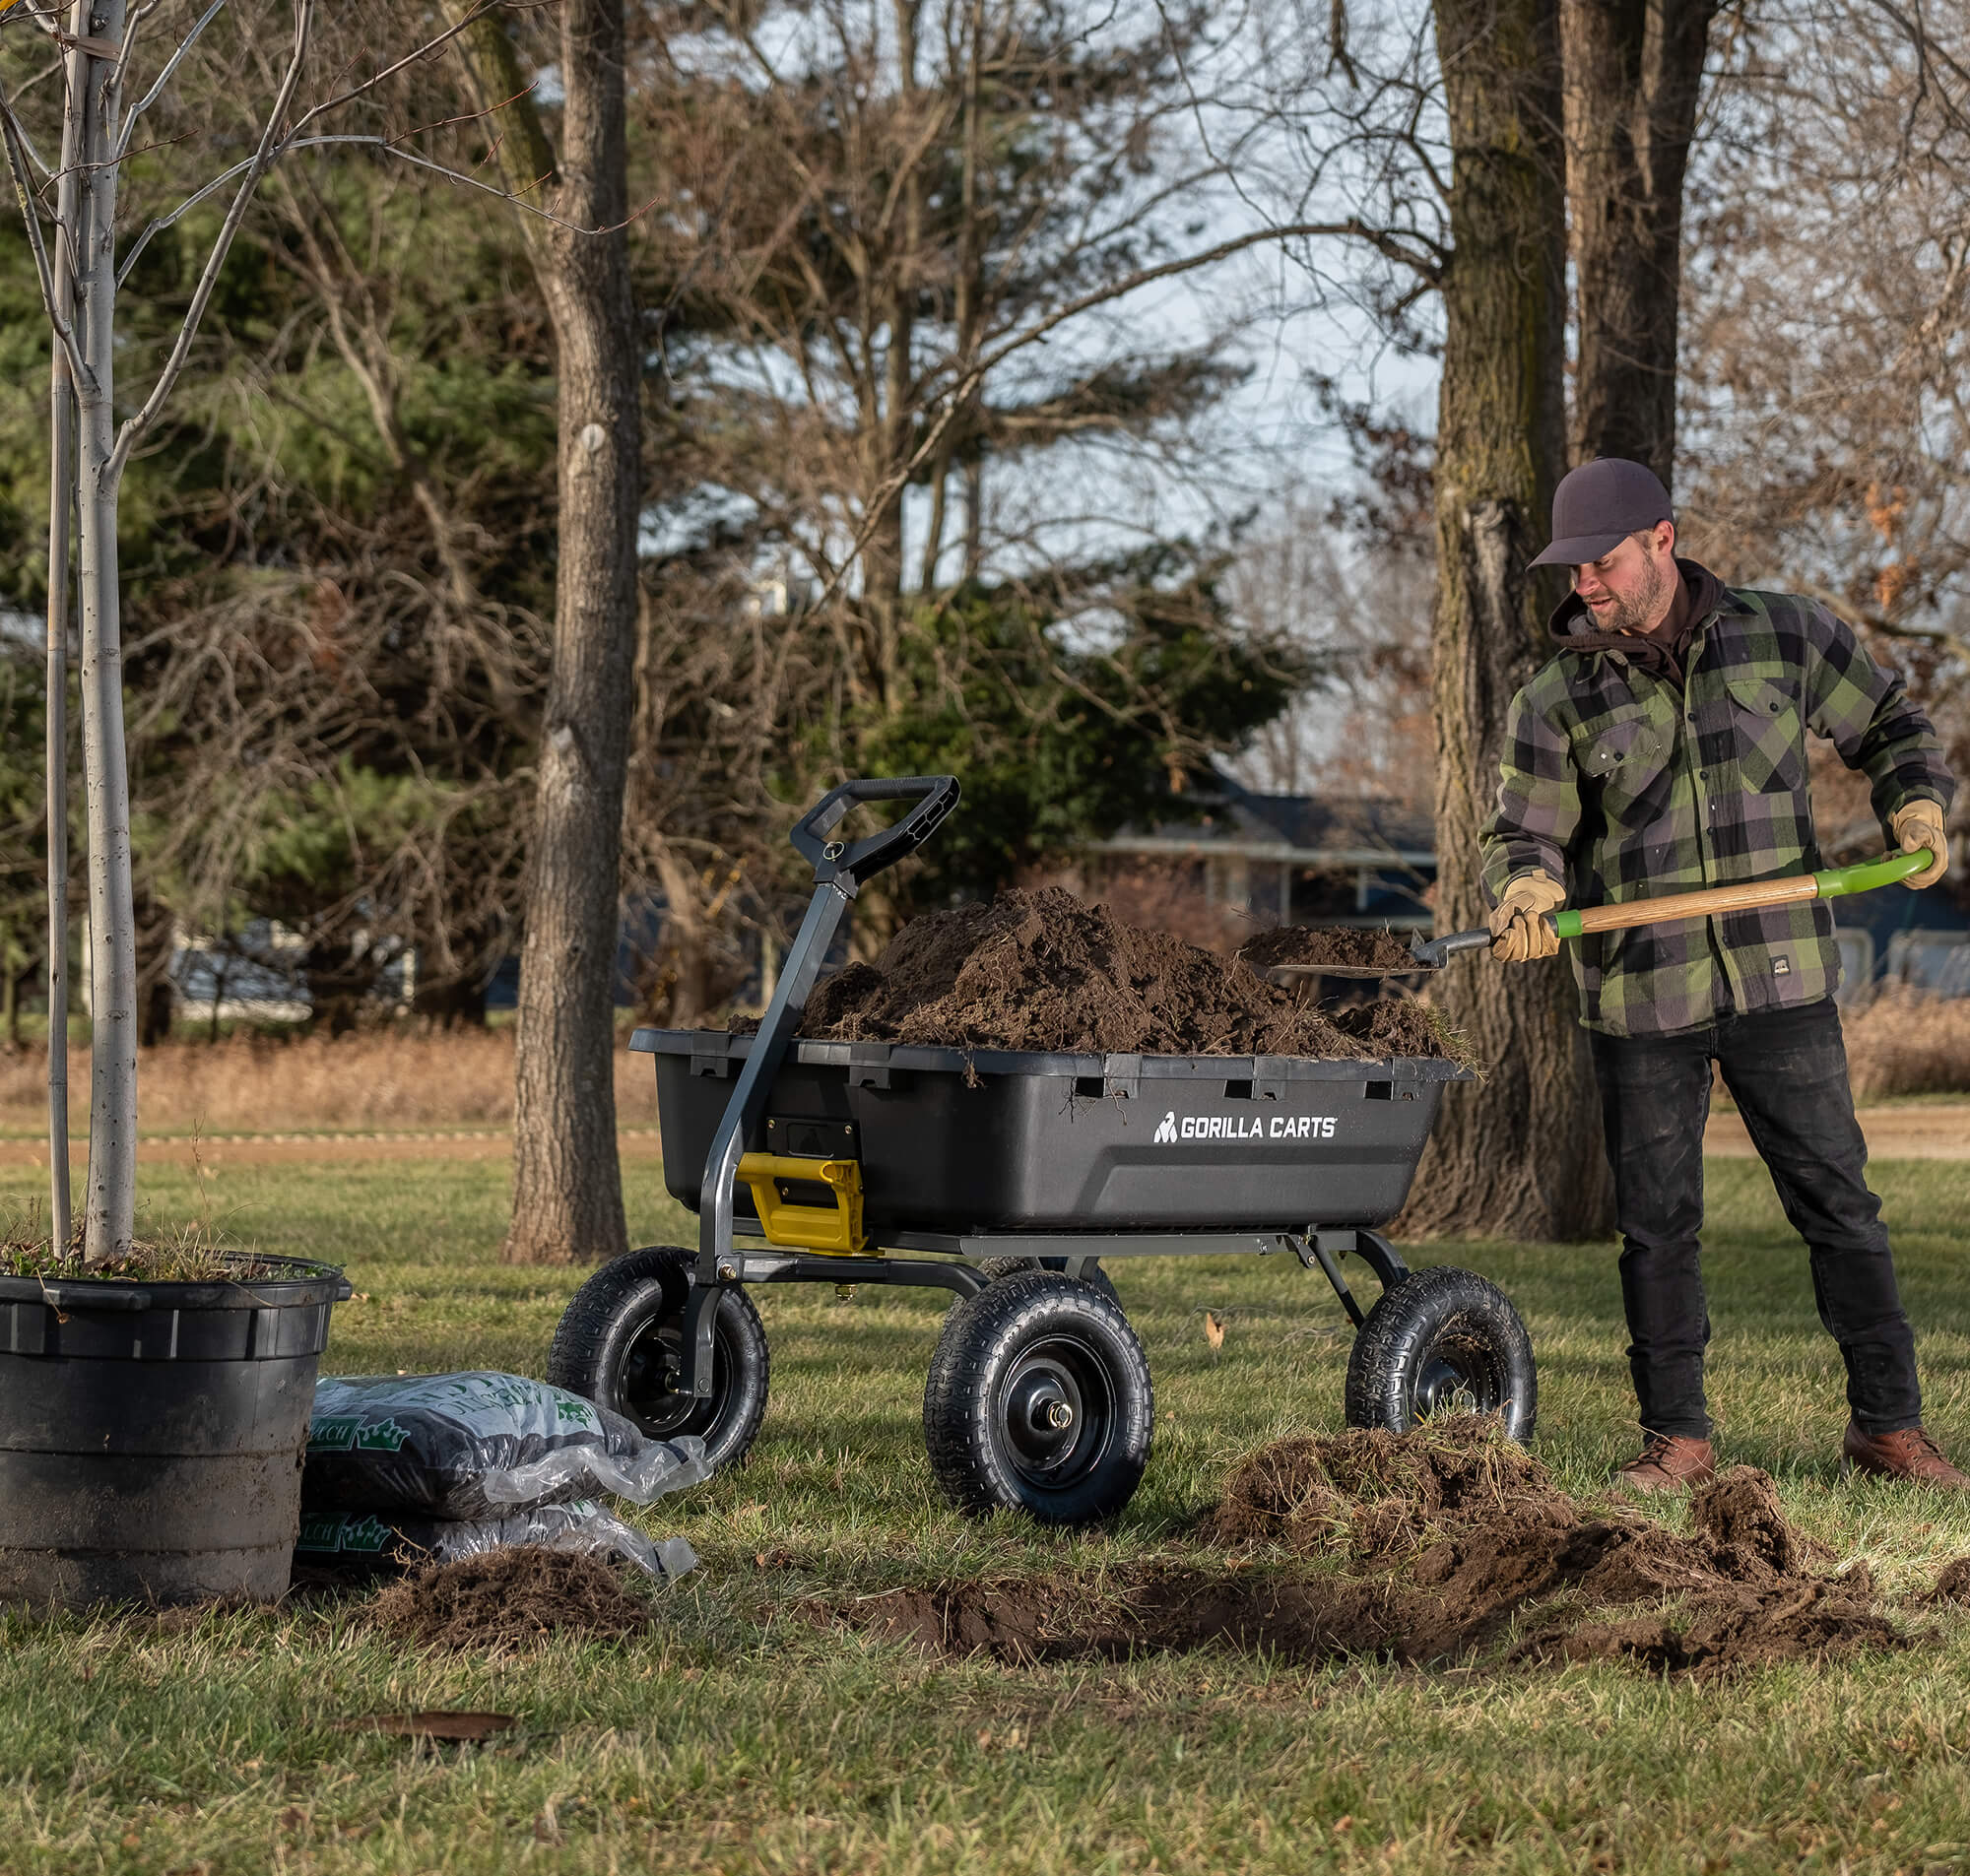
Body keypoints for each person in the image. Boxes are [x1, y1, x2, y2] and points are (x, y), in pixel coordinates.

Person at [1478, 456, 1962, 1495]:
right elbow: (1522, 830)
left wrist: (1915, 805)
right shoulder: (1558, 694)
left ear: (1658, 539)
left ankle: (1887, 1428)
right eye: (1572, 573)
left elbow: (1891, 726)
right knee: (1656, 1222)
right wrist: (1524, 892)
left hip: (1779, 979)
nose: (1584, 589)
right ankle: (1678, 1442)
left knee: (1838, 1205)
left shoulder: (1784, 637)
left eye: (1599, 564)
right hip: (1639, 996)